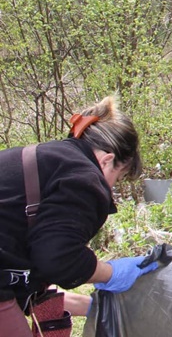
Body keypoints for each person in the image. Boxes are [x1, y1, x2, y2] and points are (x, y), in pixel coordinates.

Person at [0, 96, 157, 336]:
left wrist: (101, 306)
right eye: (118, 178)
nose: (111, 188)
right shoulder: (84, 179)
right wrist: (111, 273)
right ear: (107, 161)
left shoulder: (45, 160)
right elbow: (57, 259)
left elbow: (37, 268)